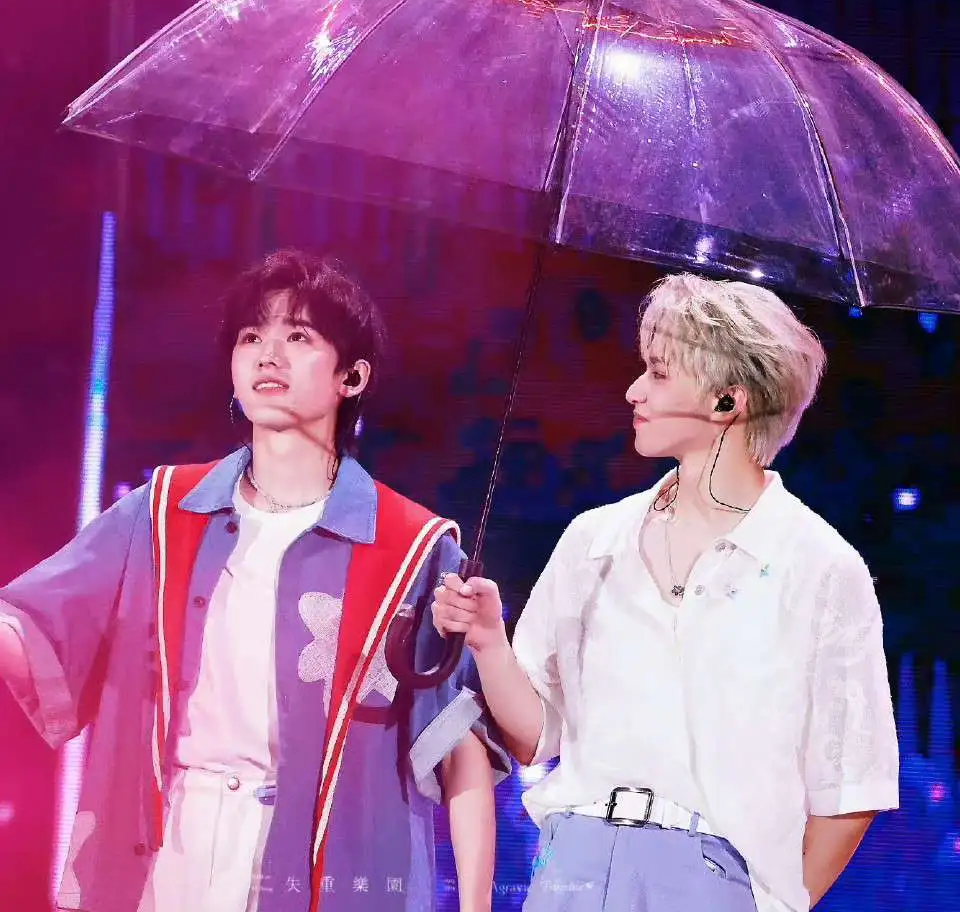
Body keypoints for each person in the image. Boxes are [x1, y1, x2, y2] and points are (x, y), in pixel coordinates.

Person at [0, 248, 508, 912]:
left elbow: (460, 746)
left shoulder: (412, 547)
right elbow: (34, 633)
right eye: (251, 337)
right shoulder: (162, 511)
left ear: (352, 376)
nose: (268, 355)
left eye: (298, 337)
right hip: (169, 845)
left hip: (320, 863)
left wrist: (475, 905)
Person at [432, 273, 899, 912]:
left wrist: (775, 905)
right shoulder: (594, 539)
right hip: (574, 863)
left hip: (714, 874)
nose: (633, 390)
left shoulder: (820, 567)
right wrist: (489, 642)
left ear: (727, 402)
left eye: (658, 373)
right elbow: (536, 737)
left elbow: (850, 786)